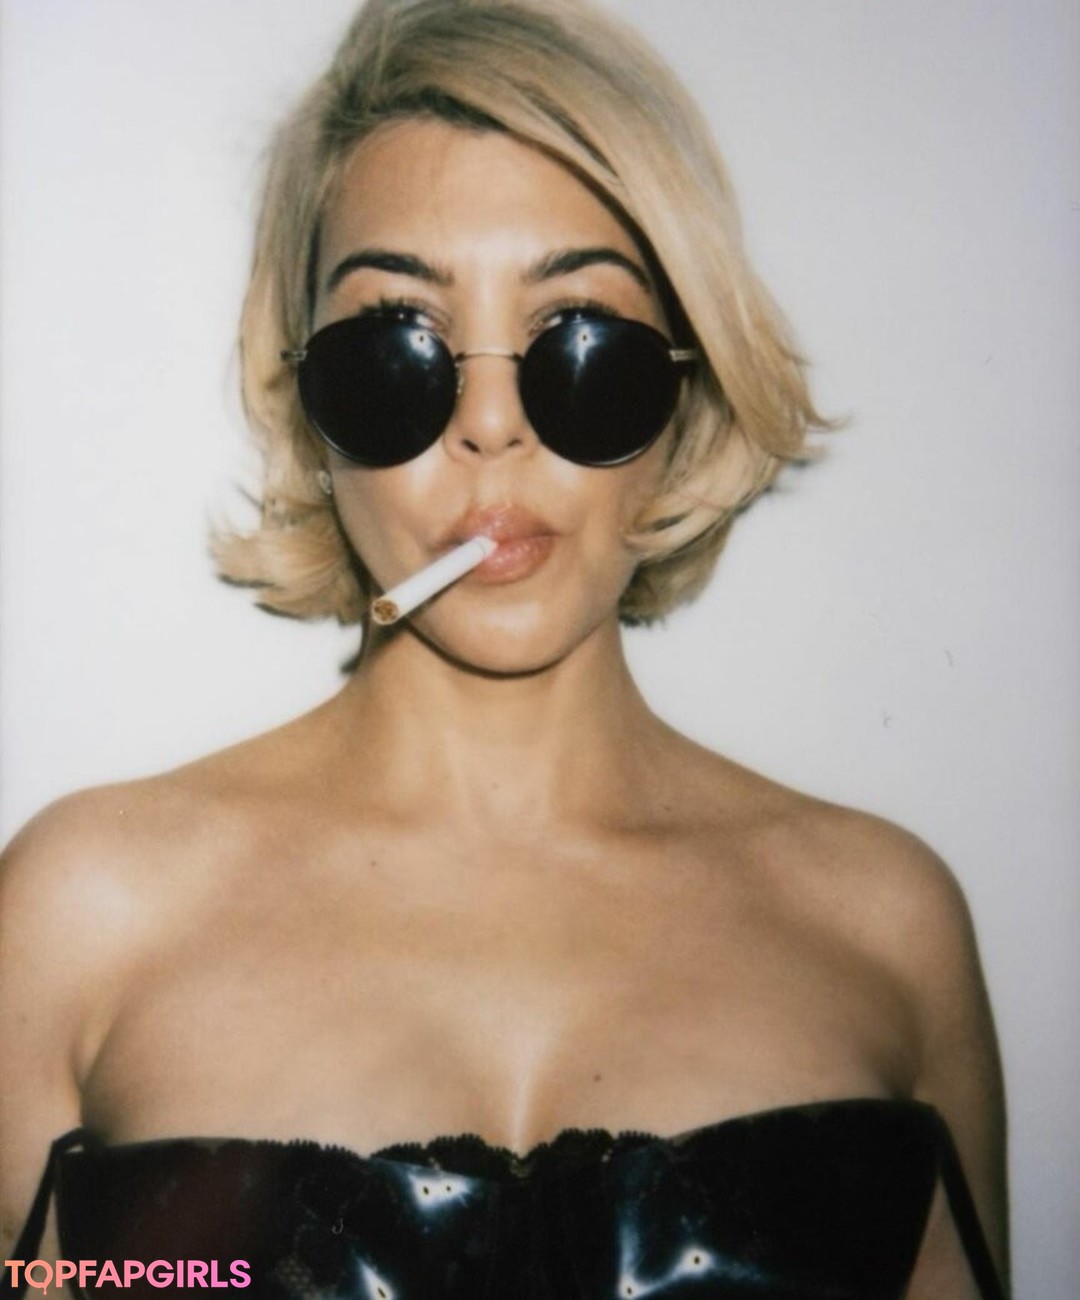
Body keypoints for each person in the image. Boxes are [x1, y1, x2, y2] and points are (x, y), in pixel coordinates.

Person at [0, 0, 1008, 1296]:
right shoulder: (78, 922)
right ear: (310, 410)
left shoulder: (887, 928)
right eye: (396, 346)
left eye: (581, 340)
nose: (489, 426)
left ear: (688, 384)